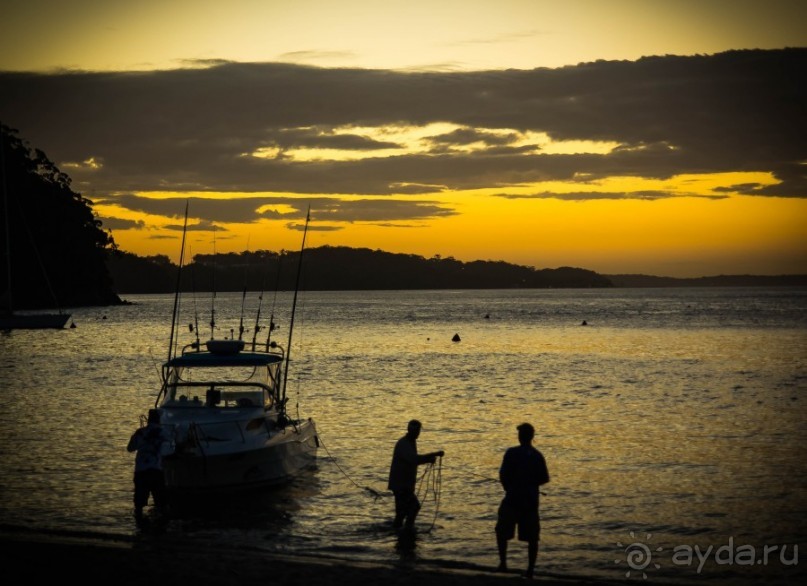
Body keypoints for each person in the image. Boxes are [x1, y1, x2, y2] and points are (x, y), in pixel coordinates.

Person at [495, 422, 550, 579]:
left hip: (512, 499)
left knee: (502, 531)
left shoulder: (511, 453)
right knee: (532, 537)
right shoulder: (538, 456)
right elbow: (544, 478)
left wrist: (509, 487)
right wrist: (530, 484)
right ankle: (530, 570)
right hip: (530, 501)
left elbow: (503, 475)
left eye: (520, 434)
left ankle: (503, 564)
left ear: (521, 437)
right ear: (532, 437)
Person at [387, 419, 444, 530]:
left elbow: (414, 459)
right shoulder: (404, 443)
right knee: (414, 507)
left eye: (418, 431)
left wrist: (431, 457)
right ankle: (408, 529)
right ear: (411, 431)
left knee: (401, 513)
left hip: (403, 485)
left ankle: (398, 531)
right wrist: (433, 455)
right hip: (401, 485)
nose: (418, 433)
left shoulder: (411, 442)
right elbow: (414, 459)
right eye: (417, 431)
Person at [127, 409, 172, 520]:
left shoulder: (140, 432)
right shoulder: (164, 432)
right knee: (162, 504)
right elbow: (171, 448)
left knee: (139, 505)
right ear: (159, 419)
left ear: (149, 419)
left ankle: (139, 529)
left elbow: (130, 448)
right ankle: (161, 530)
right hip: (156, 471)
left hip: (141, 472)